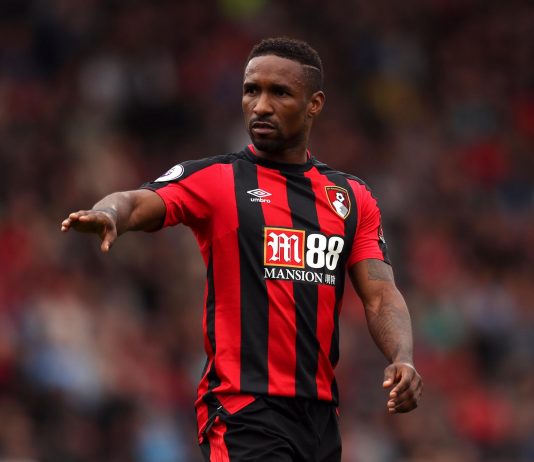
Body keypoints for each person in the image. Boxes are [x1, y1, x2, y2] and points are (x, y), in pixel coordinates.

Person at [61, 37, 423, 462]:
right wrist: (109, 213)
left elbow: (380, 294)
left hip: (320, 417)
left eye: (279, 92)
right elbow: (138, 201)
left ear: (314, 104)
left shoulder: (351, 198)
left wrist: (403, 357)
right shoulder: (217, 179)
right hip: (243, 409)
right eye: (252, 90)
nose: (261, 106)